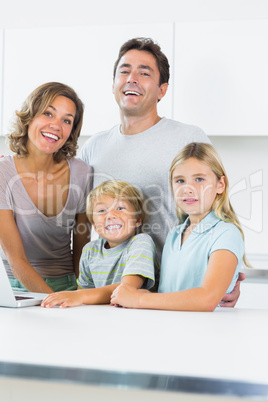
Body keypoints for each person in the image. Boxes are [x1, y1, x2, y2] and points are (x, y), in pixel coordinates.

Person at [79, 37, 245, 304]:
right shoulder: (94, 147)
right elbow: (83, 219)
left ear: (162, 89)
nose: (132, 78)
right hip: (110, 295)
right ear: (113, 85)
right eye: (124, 71)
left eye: (144, 73)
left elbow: (216, 210)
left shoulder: (188, 138)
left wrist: (225, 276)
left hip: (174, 293)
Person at [111, 143, 249, 311]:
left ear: (220, 184)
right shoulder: (175, 234)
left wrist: (139, 298)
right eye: (180, 181)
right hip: (173, 329)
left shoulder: (226, 233)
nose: (188, 188)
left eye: (199, 179)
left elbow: (208, 298)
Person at [0, 82, 93, 294]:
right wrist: (53, 302)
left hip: (67, 287)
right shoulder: (2, 174)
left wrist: (80, 294)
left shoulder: (82, 174)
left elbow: (81, 251)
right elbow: (17, 259)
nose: (56, 126)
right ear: (30, 116)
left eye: (66, 120)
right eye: (48, 114)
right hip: (14, 289)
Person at [41, 180, 155, 308]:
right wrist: (79, 296)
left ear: (138, 220)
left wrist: (80, 295)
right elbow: (83, 291)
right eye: (101, 211)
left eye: (120, 208)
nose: (111, 215)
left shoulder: (141, 243)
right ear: (94, 225)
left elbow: (127, 289)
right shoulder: (90, 251)